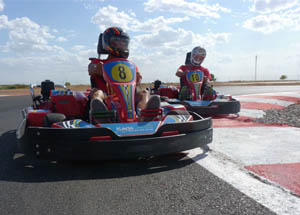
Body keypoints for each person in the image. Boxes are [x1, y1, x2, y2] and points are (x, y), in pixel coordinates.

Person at [88, 27, 160, 123]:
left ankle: (143, 115)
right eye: (117, 41)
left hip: (127, 98)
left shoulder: (130, 65)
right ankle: (103, 117)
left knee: (144, 92)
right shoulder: (98, 62)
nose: (121, 44)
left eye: (124, 42)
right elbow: (91, 69)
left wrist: (138, 79)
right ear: (107, 42)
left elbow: (137, 83)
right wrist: (97, 69)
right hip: (106, 97)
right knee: (97, 92)